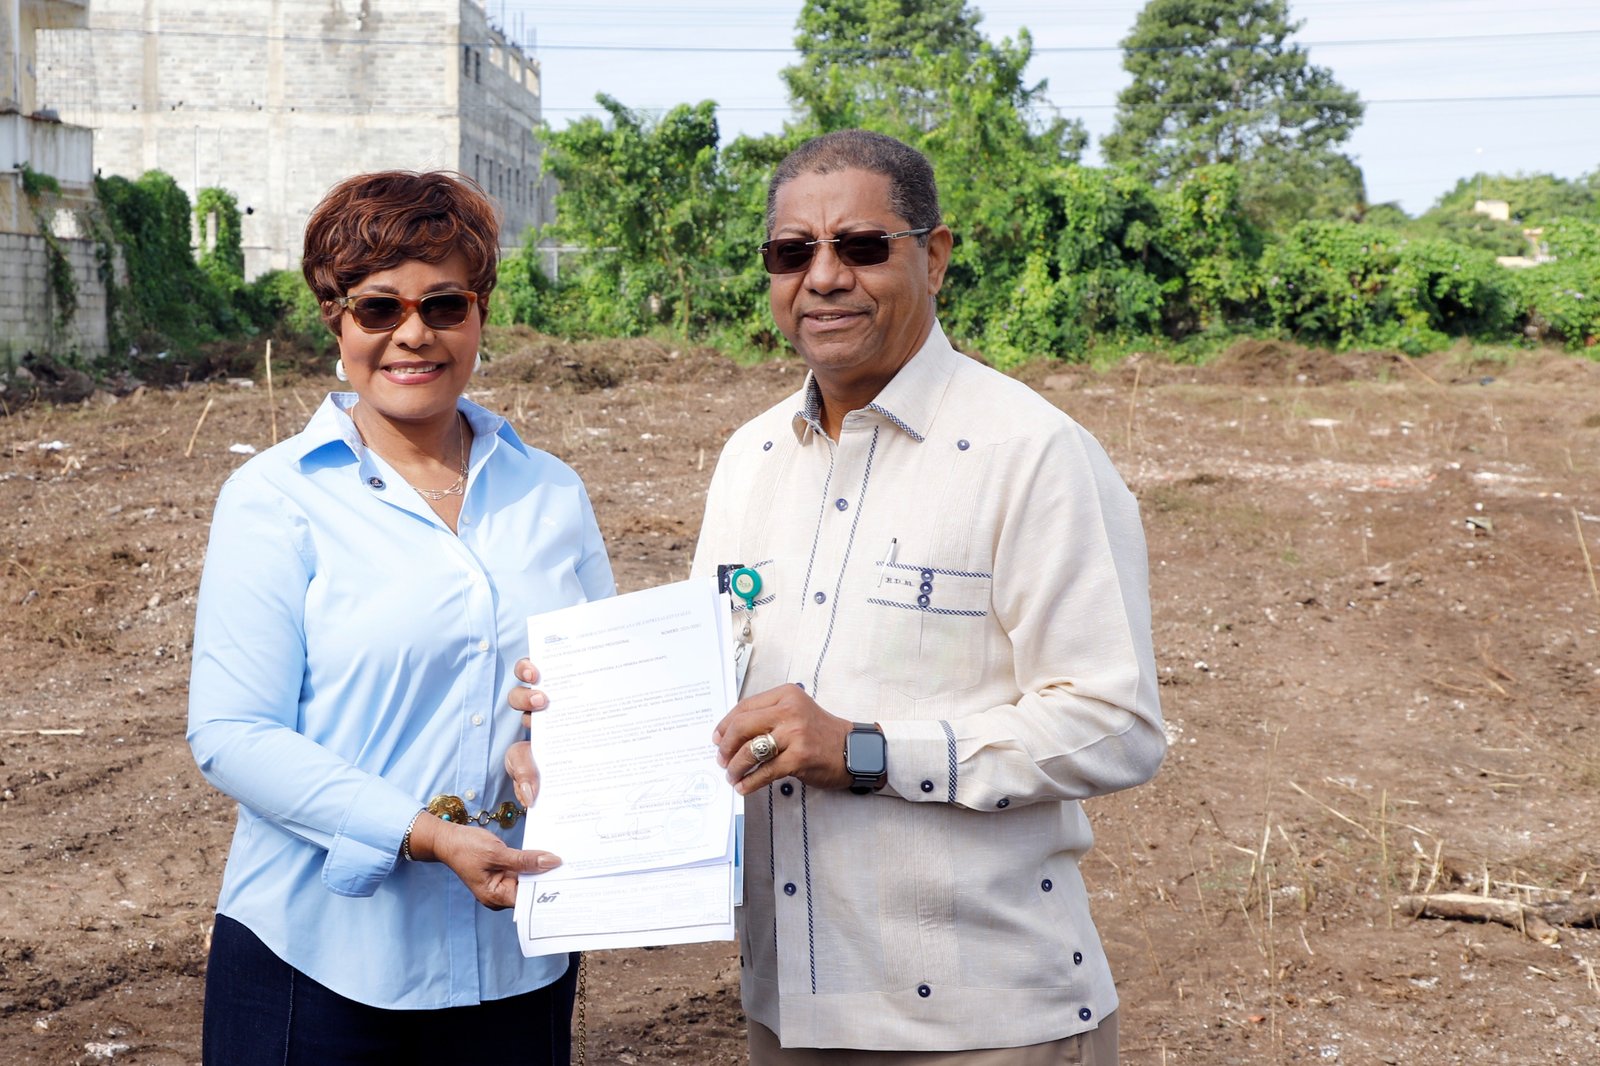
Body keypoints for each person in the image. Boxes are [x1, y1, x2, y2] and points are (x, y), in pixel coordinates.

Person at [188, 170, 613, 1065]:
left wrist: (561, 741)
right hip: (319, 959)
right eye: (379, 308)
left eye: (444, 304)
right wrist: (422, 833)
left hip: (515, 954)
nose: (413, 334)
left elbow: (602, 686)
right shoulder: (275, 500)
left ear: (481, 313)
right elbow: (232, 733)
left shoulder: (550, 492)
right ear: (335, 319)